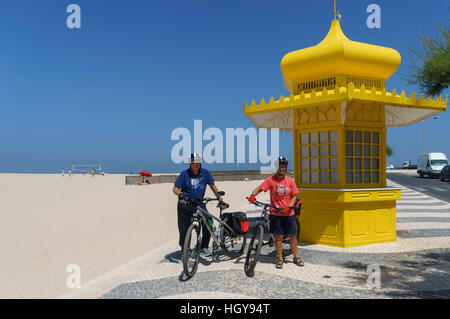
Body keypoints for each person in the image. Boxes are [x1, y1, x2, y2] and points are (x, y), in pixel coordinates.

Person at [248, 156, 304, 269]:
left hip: (289, 214)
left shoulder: (289, 181)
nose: (282, 168)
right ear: (276, 167)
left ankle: (296, 257)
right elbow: (259, 188)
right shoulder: (271, 180)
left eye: (283, 166)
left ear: (286, 168)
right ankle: (279, 259)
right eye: (280, 166)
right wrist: (253, 195)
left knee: (293, 236)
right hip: (276, 214)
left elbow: (294, 195)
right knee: (278, 237)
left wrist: (290, 206)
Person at [173, 153, 225, 255]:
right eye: (194, 162)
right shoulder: (184, 174)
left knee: (208, 222)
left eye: (198, 162)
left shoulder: (205, 173)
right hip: (186, 203)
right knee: (184, 228)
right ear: (190, 163)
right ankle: (184, 248)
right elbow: (175, 188)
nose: (196, 164)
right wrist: (180, 195)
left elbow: (213, 186)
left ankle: (204, 246)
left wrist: (220, 199)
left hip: (200, 203)